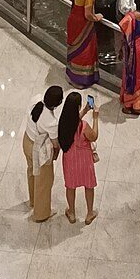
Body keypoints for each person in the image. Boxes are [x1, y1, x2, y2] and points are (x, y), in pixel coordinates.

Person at [58, 91, 99, 225]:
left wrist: (85, 110)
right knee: (88, 186)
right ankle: (89, 213)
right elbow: (93, 136)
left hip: (70, 159)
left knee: (70, 186)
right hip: (84, 160)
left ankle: (72, 213)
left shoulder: (63, 123)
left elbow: (74, 121)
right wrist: (96, 118)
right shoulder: (84, 126)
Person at [23, 85, 63, 222]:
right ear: (57, 104)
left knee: (31, 172)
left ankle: (33, 201)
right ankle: (41, 214)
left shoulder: (36, 100)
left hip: (27, 141)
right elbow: (55, 142)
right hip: (39, 152)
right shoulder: (51, 122)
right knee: (44, 182)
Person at [66, 0, 100, 88]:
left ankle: (72, 74)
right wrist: (97, 17)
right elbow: (88, 15)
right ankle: (82, 79)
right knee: (85, 51)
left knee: (74, 49)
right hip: (83, 26)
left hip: (73, 21)